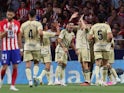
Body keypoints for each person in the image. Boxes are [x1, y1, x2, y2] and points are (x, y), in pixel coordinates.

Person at [0, 8, 22, 91]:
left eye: (10, 14)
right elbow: (0, 36)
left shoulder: (17, 23)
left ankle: (12, 85)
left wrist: (21, 49)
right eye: (8, 14)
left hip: (15, 48)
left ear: (14, 15)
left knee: (15, 66)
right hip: (5, 48)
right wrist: (7, 31)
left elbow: (19, 37)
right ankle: (1, 80)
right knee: (4, 67)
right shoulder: (2, 23)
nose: (9, 16)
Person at [20, 9, 43, 87]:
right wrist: (42, 40)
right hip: (36, 46)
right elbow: (40, 33)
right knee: (36, 62)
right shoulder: (38, 24)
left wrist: (20, 48)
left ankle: (30, 81)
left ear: (28, 15)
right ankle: (34, 76)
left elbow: (20, 35)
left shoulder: (23, 24)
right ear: (35, 15)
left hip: (27, 46)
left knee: (27, 64)